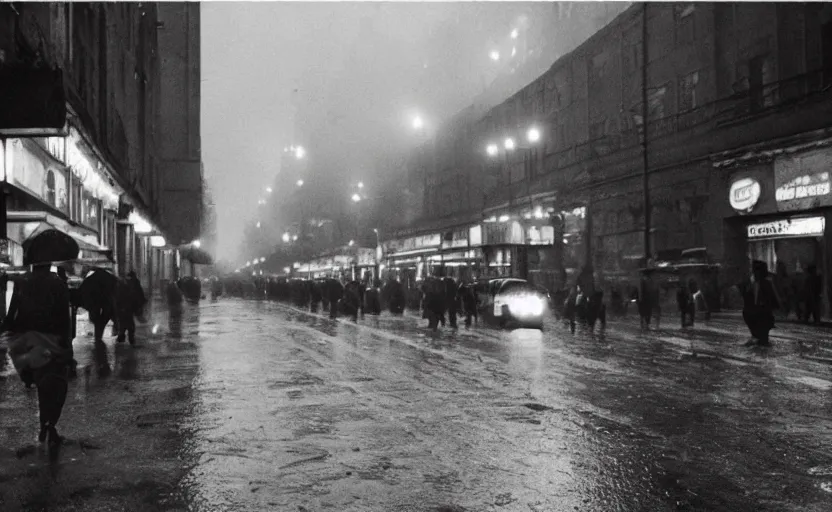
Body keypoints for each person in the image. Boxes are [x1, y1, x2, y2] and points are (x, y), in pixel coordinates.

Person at [2, 263, 73, 450]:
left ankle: (45, 423)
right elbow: (64, 315)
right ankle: (50, 423)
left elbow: (12, 310)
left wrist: (9, 329)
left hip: (27, 339)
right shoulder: (58, 283)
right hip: (52, 338)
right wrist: (67, 343)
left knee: (42, 382)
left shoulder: (22, 281)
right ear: (49, 263)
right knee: (58, 383)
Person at [742, 260, 780, 347]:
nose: (755, 273)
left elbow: (773, 301)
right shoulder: (751, 284)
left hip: (762, 315)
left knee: (762, 339)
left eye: (757, 271)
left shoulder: (766, 284)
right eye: (755, 271)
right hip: (754, 315)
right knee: (760, 338)